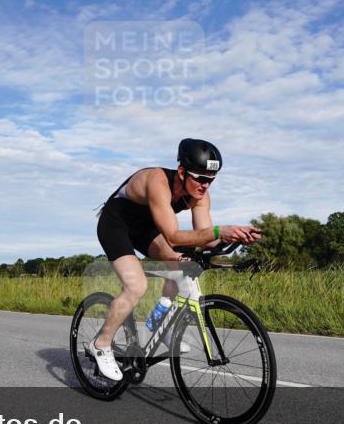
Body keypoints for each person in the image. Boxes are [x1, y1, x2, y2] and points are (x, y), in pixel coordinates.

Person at [89, 139, 261, 380]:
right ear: (181, 171)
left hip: (147, 228)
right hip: (116, 224)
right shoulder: (157, 181)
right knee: (136, 286)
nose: (205, 185)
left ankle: (160, 321)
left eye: (211, 179)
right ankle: (101, 344)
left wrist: (234, 238)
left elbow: (205, 238)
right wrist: (219, 231)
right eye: (200, 178)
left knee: (183, 264)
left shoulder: (200, 196)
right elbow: (174, 236)